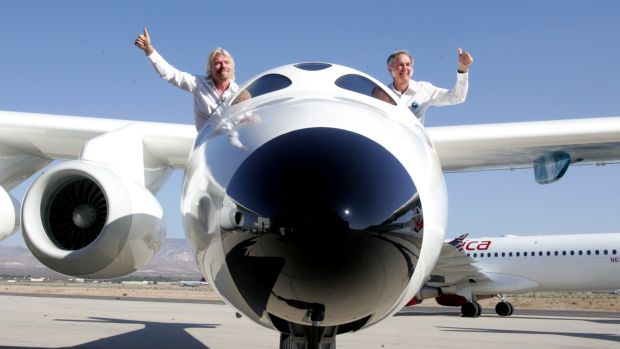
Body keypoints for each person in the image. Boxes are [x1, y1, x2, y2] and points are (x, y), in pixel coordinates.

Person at [134, 28, 239, 130]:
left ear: (232, 67)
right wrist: (149, 50)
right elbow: (171, 74)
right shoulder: (199, 83)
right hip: (207, 144)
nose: (223, 66)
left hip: (231, 143)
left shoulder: (238, 92)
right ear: (210, 68)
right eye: (218, 63)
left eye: (226, 62)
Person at [386, 48, 473, 124]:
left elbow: (457, 97)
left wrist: (463, 68)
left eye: (408, 64)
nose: (405, 69)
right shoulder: (381, 94)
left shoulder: (424, 89)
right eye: (400, 65)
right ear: (390, 69)